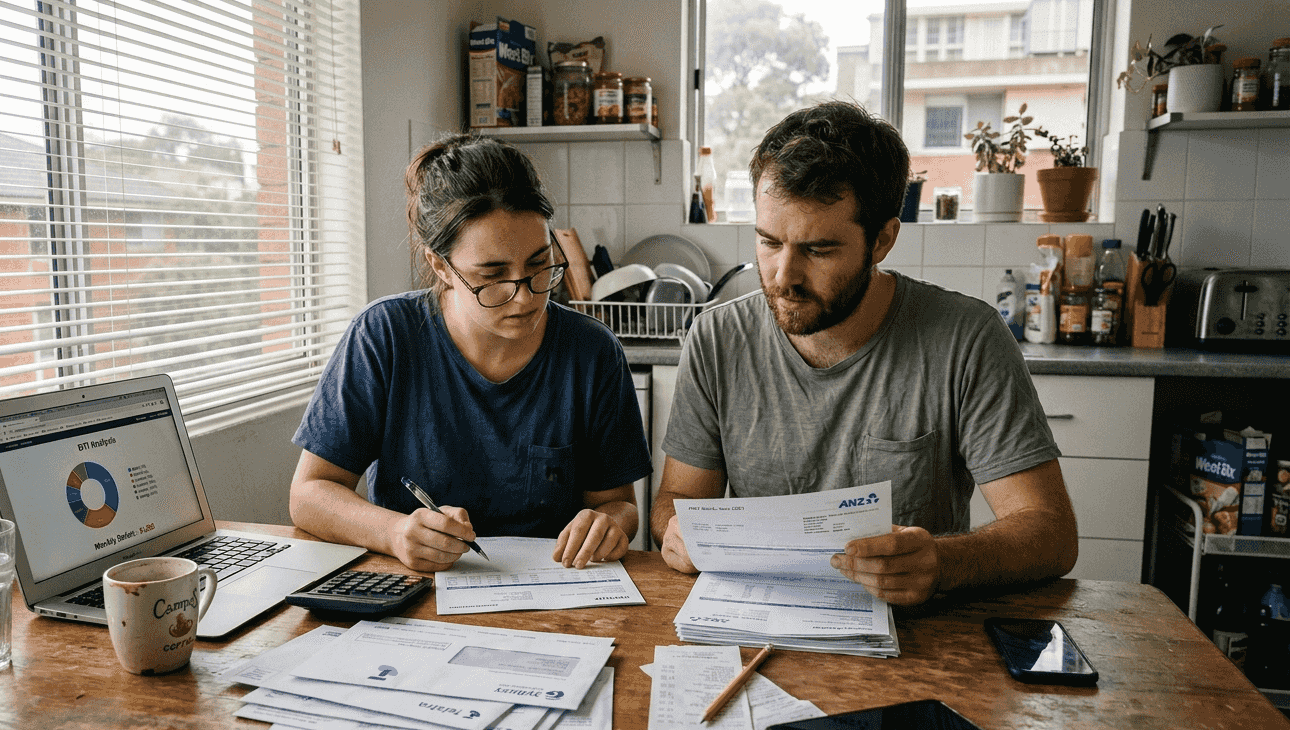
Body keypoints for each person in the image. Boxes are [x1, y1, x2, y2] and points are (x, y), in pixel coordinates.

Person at [650, 101, 1078, 606]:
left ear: (883, 240)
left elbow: (1050, 533)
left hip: (913, 637)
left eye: (818, 250)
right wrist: (677, 531)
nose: (783, 277)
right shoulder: (717, 338)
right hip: (756, 622)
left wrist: (943, 562)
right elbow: (677, 500)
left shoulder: (967, 339)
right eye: (768, 242)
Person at [290, 133, 651, 572]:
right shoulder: (383, 336)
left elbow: (619, 505)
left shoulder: (591, 352)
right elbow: (309, 494)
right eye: (493, 275)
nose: (525, 298)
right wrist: (394, 532)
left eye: (540, 264)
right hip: (415, 591)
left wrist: (608, 524)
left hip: (558, 596)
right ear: (441, 266)